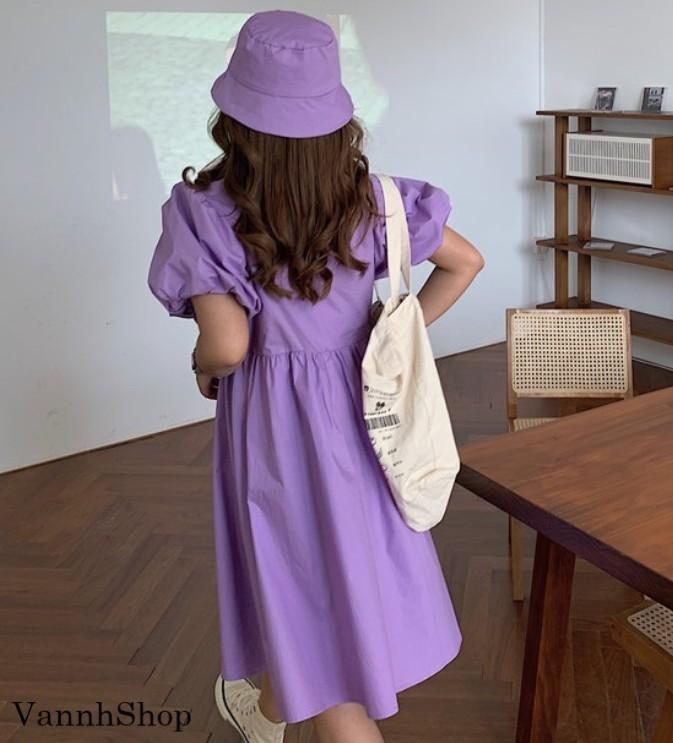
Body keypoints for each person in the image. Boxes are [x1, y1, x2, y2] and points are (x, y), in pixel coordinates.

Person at [147, 10, 484, 743]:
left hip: (278, 430)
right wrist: (392, 337)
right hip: (364, 414)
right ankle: (268, 706)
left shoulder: (206, 213)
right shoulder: (374, 201)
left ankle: (292, 705)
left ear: (235, 120)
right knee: (338, 576)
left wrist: (201, 367)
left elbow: (227, 346)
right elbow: (465, 262)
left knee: (299, 577)